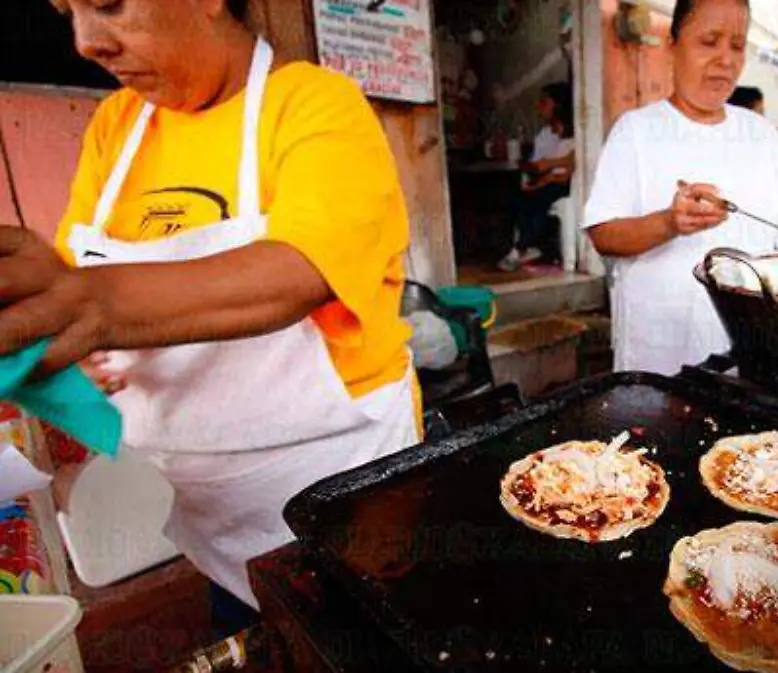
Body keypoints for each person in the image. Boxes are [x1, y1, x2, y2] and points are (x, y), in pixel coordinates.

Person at [13, 0, 421, 630]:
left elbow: (297, 274)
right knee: (251, 630)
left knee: (356, 636)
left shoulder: (316, 105)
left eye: (108, 6)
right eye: (68, 11)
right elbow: (76, 273)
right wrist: (74, 343)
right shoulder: (116, 128)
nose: (87, 42)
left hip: (340, 495)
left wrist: (94, 306)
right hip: (209, 515)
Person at [584, 0, 778, 376]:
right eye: (709, 41)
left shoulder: (758, 133)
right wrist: (670, 222)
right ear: (673, 44)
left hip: (745, 350)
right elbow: (604, 233)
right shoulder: (636, 131)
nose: (725, 59)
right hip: (659, 355)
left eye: (737, 44)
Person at [498, 82, 575, 271]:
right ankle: (527, 246)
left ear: (558, 105)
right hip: (547, 181)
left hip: (564, 186)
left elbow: (564, 171)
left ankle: (520, 249)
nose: (539, 107)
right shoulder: (545, 134)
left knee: (539, 198)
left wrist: (544, 170)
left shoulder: (574, 134)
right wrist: (531, 175)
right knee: (516, 197)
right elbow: (537, 166)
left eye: (544, 102)